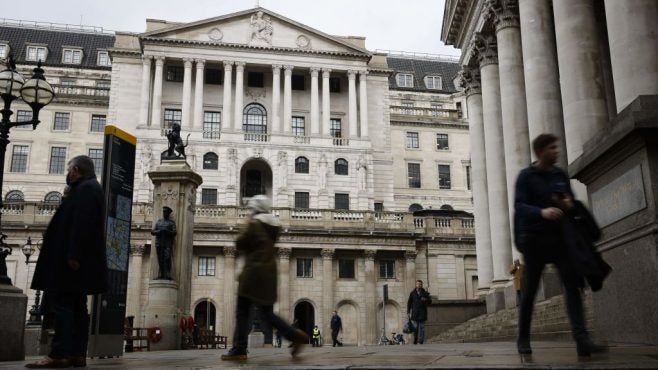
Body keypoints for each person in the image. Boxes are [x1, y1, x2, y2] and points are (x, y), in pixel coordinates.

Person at [514, 133, 606, 357]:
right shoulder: (526, 176)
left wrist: (568, 205)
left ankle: (582, 339)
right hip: (535, 241)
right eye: (552, 148)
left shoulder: (559, 175)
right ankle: (523, 337)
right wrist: (542, 212)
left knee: (572, 287)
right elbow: (519, 206)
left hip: (561, 240)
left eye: (557, 148)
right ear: (541, 151)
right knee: (530, 292)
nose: (557, 152)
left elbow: (571, 203)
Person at [26, 156, 107, 369]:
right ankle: (77, 354)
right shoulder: (89, 188)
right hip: (78, 258)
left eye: (69, 169)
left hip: (71, 260)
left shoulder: (86, 189)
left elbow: (81, 223)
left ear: (76, 170)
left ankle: (59, 353)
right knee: (78, 306)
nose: (68, 173)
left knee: (62, 305)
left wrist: (73, 254)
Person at [221, 195, 308, 361]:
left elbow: (240, 243)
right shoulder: (272, 227)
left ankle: (239, 348)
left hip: (253, 273)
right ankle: (294, 335)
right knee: (267, 313)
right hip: (269, 273)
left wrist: (247, 223)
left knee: (242, 311)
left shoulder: (254, 225)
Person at [151, 206, 176, 280]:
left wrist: (167, 232)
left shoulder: (171, 223)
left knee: (167, 258)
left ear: (168, 213)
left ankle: (168, 273)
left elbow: (174, 232)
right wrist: (159, 231)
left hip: (167, 243)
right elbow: (153, 231)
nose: (164, 213)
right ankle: (161, 274)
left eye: (166, 212)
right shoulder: (159, 222)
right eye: (163, 211)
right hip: (159, 243)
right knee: (160, 259)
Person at [406, 280, 431, 344]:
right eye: (418, 284)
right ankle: (415, 339)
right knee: (415, 327)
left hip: (422, 313)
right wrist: (408, 312)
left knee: (422, 327)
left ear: (422, 285)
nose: (419, 285)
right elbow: (409, 303)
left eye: (420, 284)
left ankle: (421, 340)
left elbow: (430, 301)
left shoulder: (425, 293)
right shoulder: (412, 293)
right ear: (416, 285)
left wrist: (425, 299)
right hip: (415, 313)